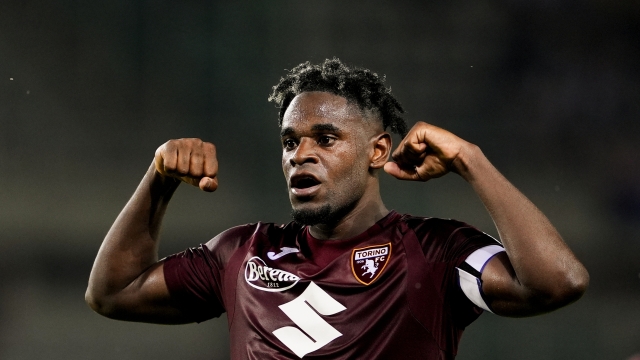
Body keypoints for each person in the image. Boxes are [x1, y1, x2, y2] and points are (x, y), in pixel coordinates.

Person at [85, 58, 589, 359]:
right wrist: (159, 180)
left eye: (325, 138)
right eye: (289, 141)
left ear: (377, 151)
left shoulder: (433, 251)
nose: (300, 154)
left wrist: (470, 160)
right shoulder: (243, 252)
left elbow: (557, 282)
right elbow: (113, 292)